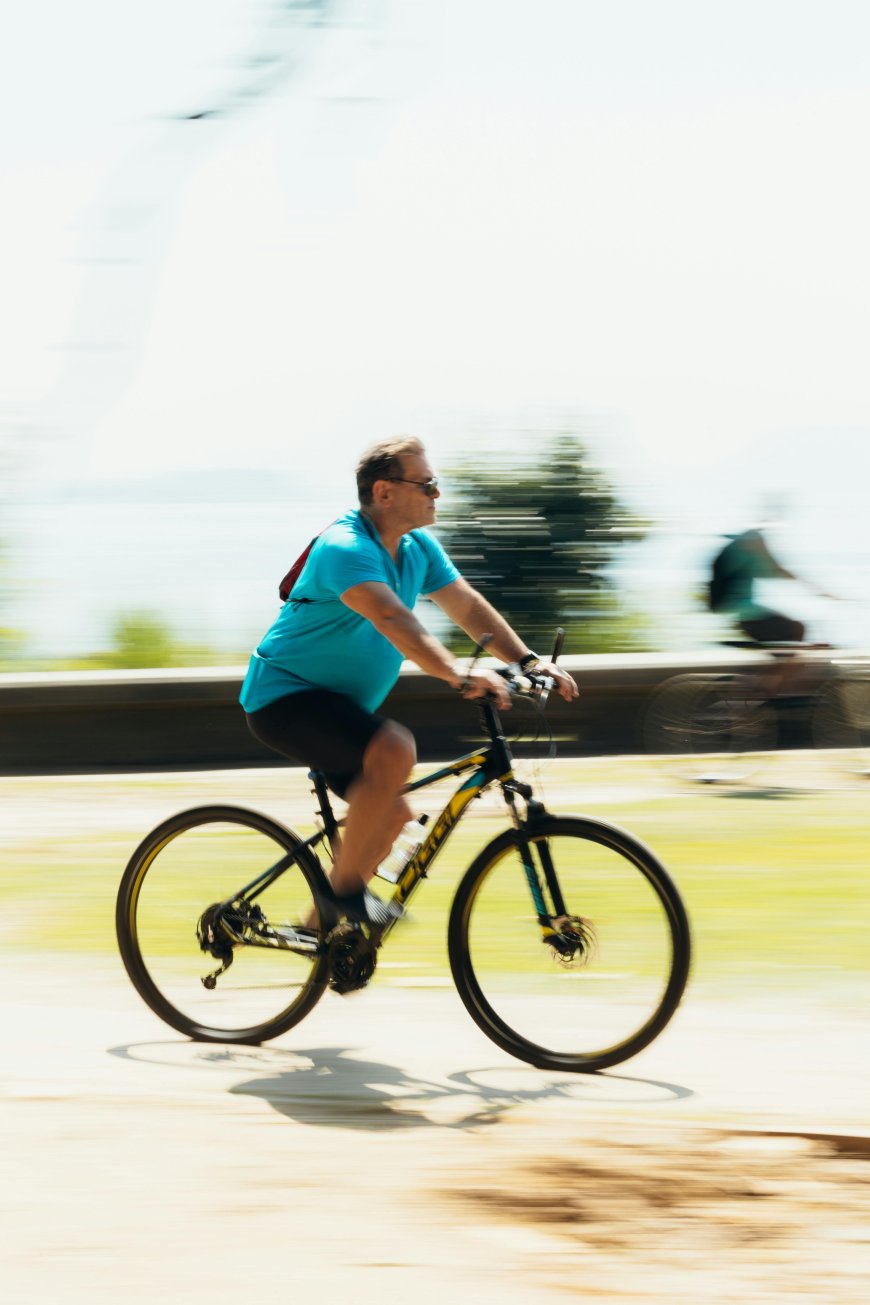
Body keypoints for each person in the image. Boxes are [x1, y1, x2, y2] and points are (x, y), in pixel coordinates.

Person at [240, 436, 579, 928]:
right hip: (284, 698)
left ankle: (322, 938)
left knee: (391, 818)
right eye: (427, 485)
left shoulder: (417, 548)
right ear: (384, 493)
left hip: (339, 710)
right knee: (396, 748)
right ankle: (344, 899)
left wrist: (527, 661)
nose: (437, 495)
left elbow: (466, 605)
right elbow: (390, 617)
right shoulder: (345, 546)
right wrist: (459, 673)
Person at [708, 526, 835, 644]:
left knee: (789, 640)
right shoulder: (752, 540)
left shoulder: (738, 546)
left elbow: (770, 571)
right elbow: (775, 571)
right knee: (796, 630)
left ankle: (778, 666)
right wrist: (818, 590)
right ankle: (782, 667)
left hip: (739, 615)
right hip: (746, 614)